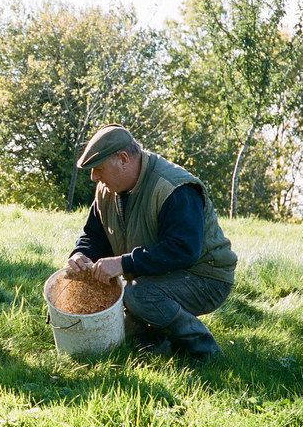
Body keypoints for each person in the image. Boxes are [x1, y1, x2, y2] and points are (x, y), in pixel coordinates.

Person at [66, 124, 237, 362]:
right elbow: (93, 237)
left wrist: (123, 263)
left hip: (205, 277)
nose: (94, 177)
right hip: (156, 277)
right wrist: (80, 254)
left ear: (123, 159)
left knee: (139, 295)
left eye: (99, 168)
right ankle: (162, 345)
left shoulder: (174, 187)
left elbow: (183, 251)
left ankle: (205, 351)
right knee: (116, 337)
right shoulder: (106, 190)